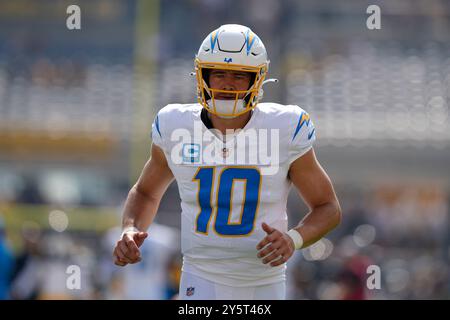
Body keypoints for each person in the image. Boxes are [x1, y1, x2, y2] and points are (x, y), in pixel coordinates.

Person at [113, 24, 341, 300]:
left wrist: (294, 239)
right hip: (200, 276)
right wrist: (131, 227)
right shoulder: (175, 125)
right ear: (202, 75)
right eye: (218, 73)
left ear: (256, 80)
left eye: (239, 75)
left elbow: (327, 207)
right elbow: (146, 192)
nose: (227, 83)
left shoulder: (284, 127)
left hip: (263, 282)